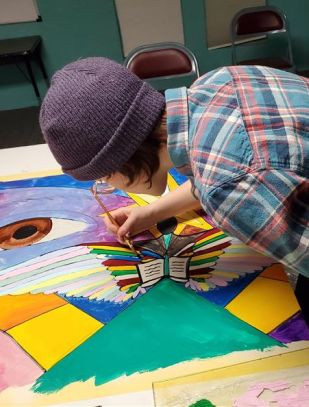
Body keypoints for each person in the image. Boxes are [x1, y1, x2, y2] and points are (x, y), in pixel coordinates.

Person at [40, 57, 309, 284]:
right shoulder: (217, 81)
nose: (107, 185)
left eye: (103, 177)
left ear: (121, 161)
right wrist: (151, 213)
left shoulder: (228, 187)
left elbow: (231, 181)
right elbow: (221, 171)